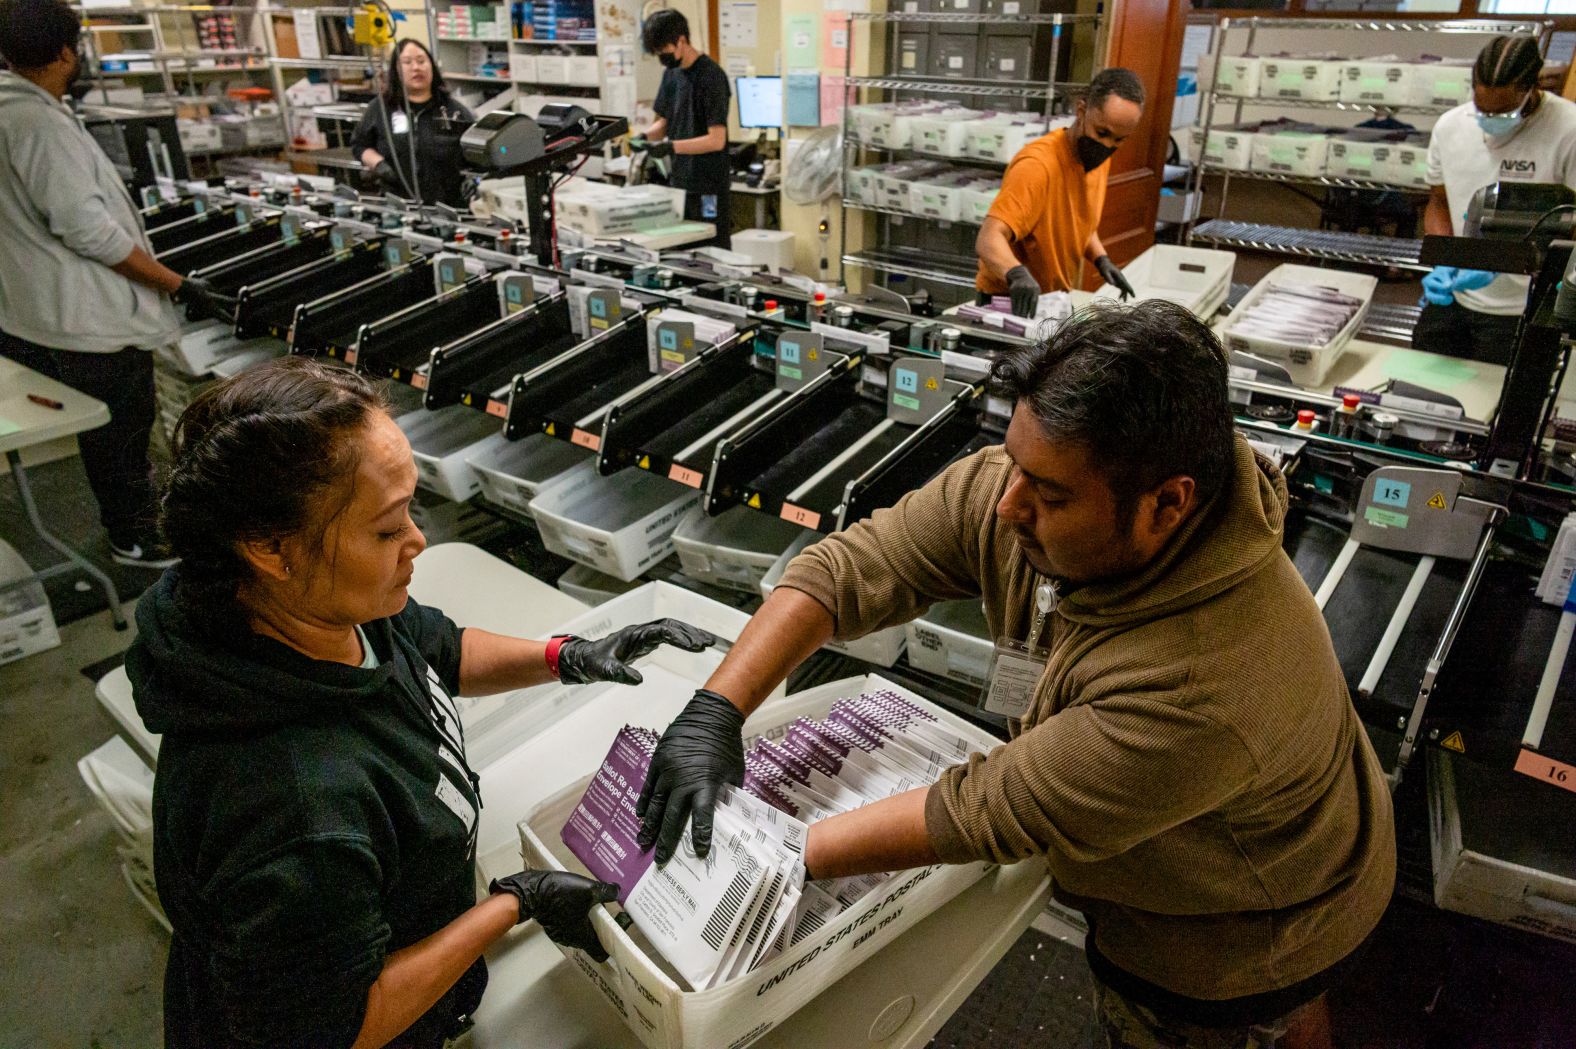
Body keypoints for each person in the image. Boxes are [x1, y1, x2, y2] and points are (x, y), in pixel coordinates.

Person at [635, 301, 1397, 1049]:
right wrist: (716, 708)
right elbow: (856, 565)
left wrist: (761, 857)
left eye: (1050, 494)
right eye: (1014, 464)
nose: (1006, 506)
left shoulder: (1208, 685)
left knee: (1236, 1015)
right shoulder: (1038, 484)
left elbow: (989, 809)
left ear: (1166, 504)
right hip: (1244, 835)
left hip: (1243, 929)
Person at [128, 357, 717, 1047]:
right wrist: (511, 903)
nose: (417, 540)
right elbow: (341, 1025)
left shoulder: (318, 610)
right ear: (271, 548)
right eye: (385, 529)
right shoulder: (294, 808)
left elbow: (435, 647)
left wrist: (568, 655)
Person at [0, 0, 232, 566]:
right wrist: (180, 286)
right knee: (121, 437)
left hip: (33, 313)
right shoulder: (36, 122)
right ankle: (135, 540)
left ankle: (129, 524)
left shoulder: (13, 110)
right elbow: (89, 232)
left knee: (105, 435)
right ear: (65, 52)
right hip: (85, 321)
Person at [1416, 35, 1576, 366]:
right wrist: (1444, 258)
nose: (1490, 117)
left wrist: (1534, 265)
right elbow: (1439, 202)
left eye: (1503, 112)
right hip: (1455, 297)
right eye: (1481, 108)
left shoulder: (1568, 130)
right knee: (1423, 386)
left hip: (1523, 306)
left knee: (1496, 401)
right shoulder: (1450, 126)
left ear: (1532, 89)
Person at [975, 68, 1146, 318]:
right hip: (1010, 302)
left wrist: (1101, 259)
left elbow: (1078, 219)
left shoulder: (1096, 161)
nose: (1107, 146)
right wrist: (1016, 273)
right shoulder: (1038, 165)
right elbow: (989, 238)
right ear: (1081, 110)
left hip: (1052, 301)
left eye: (1119, 140)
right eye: (1102, 133)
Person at [633, 9, 733, 247]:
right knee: (681, 247)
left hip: (708, 186)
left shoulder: (712, 78)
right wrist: (644, 137)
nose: (662, 58)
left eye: (664, 51)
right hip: (679, 183)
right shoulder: (671, 75)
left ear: (681, 41)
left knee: (709, 247)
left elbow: (716, 139)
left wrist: (671, 147)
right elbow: (665, 122)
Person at [351, 39, 474, 208]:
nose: (416, 67)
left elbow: (477, 156)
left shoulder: (454, 111)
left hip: (448, 206)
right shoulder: (380, 108)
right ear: (396, 70)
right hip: (398, 205)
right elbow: (359, 145)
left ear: (432, 66)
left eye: (422, 61)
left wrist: (474, 180)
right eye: (407, 62)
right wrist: (378, 163)